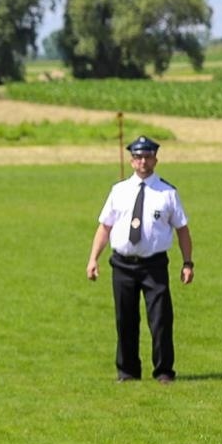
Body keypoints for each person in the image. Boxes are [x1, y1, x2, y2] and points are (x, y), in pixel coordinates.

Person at [86, 136, 194, 383]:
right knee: (125, 320)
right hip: (122, 264)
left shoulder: (167, 192)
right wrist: (93, 259)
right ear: (132, 160)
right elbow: (105, 227)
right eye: (138, 157)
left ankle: (164, 371)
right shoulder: (119, 191)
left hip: (154, 265)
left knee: (160, 320)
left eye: (147, 157)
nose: (143, 161)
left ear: (155, 158)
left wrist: (187, 262)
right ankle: (127, 371)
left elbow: (183, 230)